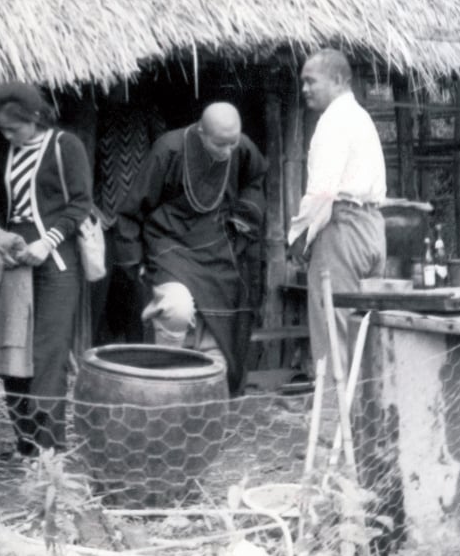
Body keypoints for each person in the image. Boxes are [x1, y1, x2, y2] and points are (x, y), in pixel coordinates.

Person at [114, 102, 266, 395]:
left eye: (233, 143)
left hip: (218, 247)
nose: (228, 151)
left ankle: (209, 402)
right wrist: (134, 262)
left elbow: (256, 178)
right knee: (177, 309)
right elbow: (132, 209)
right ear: (200, 131)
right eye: (220, 144)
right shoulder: (168, 150)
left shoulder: (240, 147)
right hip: (169, 244)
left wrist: (244, 216)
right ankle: (165, 383)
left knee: (220, 336)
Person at [0, 82, 93, 455]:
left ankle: (51, 449)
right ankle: (26, 444)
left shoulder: (66, 147)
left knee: (48, 355)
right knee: (13, 352)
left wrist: (46, 241)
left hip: (56, 262)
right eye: (2, 129)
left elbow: (80, 204)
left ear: (34, 118)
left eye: (14, 128)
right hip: (13, 262)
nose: (8, 135)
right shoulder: (2, 151)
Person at [288, 50, 386, 380]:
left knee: (333, 330)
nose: (304, 89)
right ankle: (366, 423)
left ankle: (332, 423)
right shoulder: (360, 117)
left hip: (343, 227)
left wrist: (298, 238)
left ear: (338, 80)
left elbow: (322, 192)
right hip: (373, 228)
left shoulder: (333, 121)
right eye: (302, 82)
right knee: (364, 334)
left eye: (310, 81)